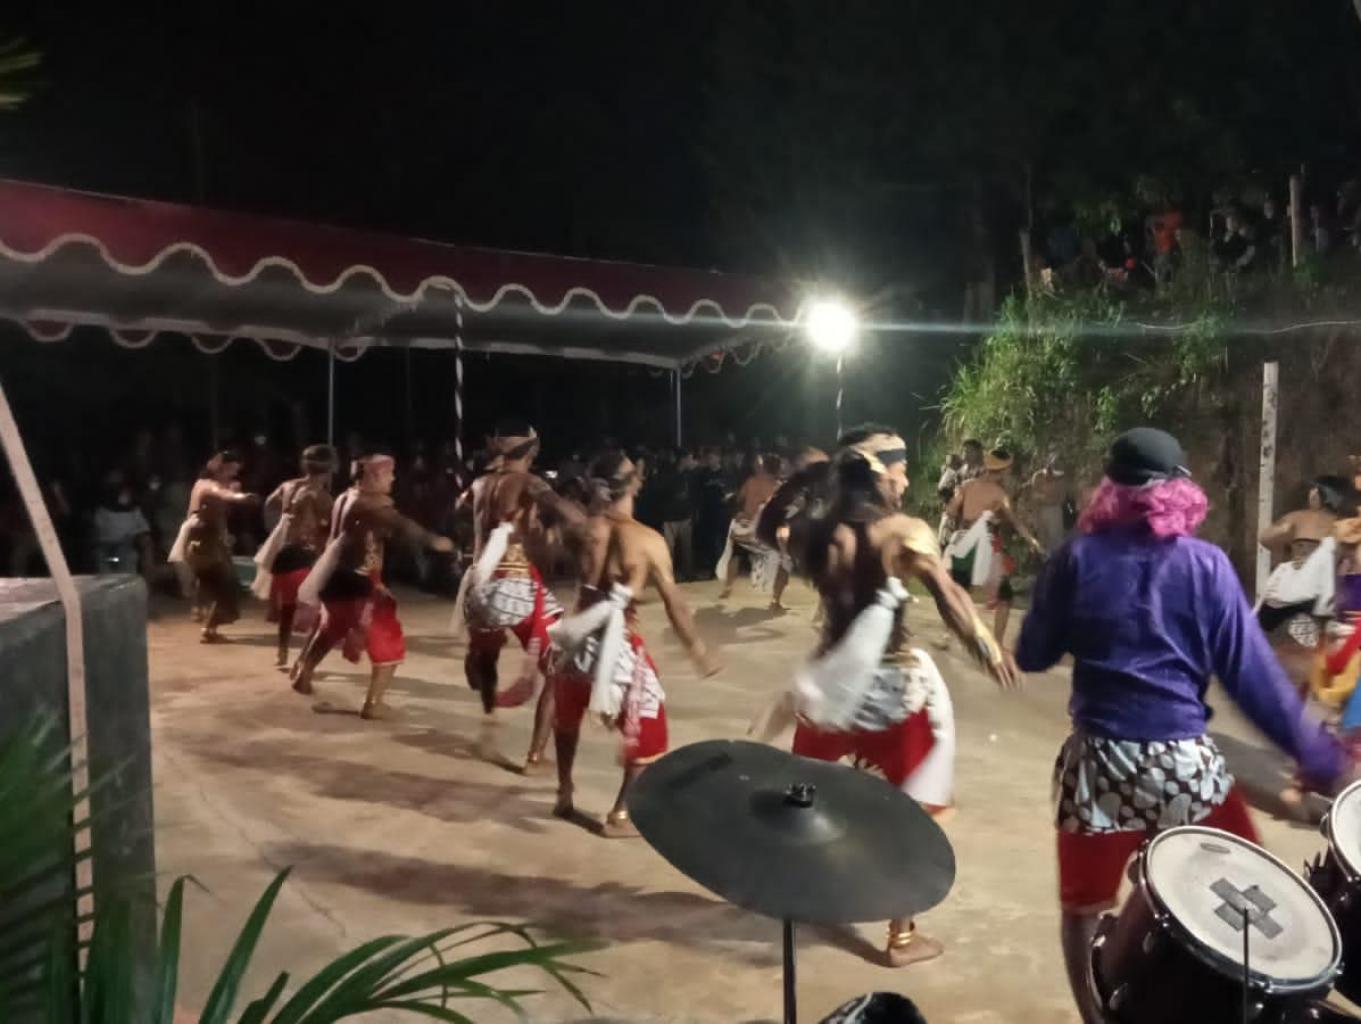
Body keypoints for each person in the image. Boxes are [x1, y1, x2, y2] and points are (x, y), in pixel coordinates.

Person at [1014, 427, 1349, 1024]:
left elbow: (1033, 653)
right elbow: (1253, 681)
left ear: (1110, 489)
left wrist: (1075, 618)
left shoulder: (1077, 558)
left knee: (1083, 907)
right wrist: (1319, 756)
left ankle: (1096, 1015)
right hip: (1183, 765)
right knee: (1245, 894)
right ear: (1180, 489)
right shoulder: (1206, 566)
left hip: (1101, 765)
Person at [753, 425, 1016, 968]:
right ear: (880, 476)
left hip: (829, 690)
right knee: (908, 811)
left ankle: (804, 894)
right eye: (900, 471)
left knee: (808, 795)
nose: (906, 482)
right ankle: (900, 935)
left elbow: (765, 528)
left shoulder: (815, 533)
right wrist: (989, 649)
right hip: (893, 693)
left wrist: (798, 483)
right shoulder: (903, 533)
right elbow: (949, 596)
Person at [548, 451, 719, 836]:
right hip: (618, 645)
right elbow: (675, 602)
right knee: (649, 728)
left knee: (567, 718)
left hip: (576, 644)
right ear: (635, 484)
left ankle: (564, 791)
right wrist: (697, 650)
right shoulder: (646, 540)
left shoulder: (581, 531)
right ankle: (620, 814)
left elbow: (554, 553)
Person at [290, 452, 453, 718]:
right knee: (389, 642)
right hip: (358, 582)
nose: (393, 478)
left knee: (330, 628)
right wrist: (434, 541)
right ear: (374, 476)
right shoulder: (371, 503)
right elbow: (400, 524)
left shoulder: (345, 497)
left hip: (334, 580)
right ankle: (373, 704)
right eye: (389, 473)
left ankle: (303, 676)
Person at [462, 420, 585, 767]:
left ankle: (488, 723)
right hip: (513, 585)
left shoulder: (479, 483)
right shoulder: (529, 481)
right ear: (532, 451)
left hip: (478, 586)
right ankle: (535, 756)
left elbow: (460, 512)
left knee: (487, 658)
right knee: (560, 667)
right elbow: (569, 514)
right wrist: (592, 521)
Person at [942, 447, 1042, 646]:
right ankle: (996, 643)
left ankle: (947, 635)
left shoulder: (967, 485)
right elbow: (1014, 521)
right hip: (983, 543)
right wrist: (1031, 540)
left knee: (960, 589)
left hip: (963, 539)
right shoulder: (999, 493)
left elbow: (951, 511)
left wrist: (968, 513)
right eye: (1008, 469)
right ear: (1004, 470)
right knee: (1005, 596)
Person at [253, 445, 337, 669]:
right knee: (317, 613)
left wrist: (279, 529)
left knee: (288, 609)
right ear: (330, 468)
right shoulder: (322, 497)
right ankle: (303, 661)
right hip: (304, 557)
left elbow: (269, 504)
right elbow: (329, 532)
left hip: (283, 555)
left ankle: (282, 653)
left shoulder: (288, 486)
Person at [167, 451, 259, 642]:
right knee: (225, 586)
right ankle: (208, 628)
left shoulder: (218, 484)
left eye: (235, 471)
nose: (233, 474)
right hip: (201, 540)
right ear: (219, 468)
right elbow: (219, 493)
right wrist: (240, 497)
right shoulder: (207, 485)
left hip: (211, 540)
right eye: (230, 470)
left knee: (215, 582)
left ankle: (203, 615)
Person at [1256, 475, 1349, 655]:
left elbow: (1266, 538)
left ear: (1320, 496)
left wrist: (1288, 543)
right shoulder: (1343, 524)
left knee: (1260, 625)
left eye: (1314, 492)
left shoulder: (1299, 517)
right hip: (1328, 591)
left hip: (1296, 587)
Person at [717, 453, 790, 609]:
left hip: (746, 527)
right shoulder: (778, 487)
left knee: (736, 555)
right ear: (777, 469)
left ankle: (728, 586)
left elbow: (739, 498)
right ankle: (776, 600)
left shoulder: (751, 481)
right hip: (762, 532)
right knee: (784, 562)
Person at [92, 474, 153, 577]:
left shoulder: (134, 511)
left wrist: (139, 540)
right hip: (108, 553)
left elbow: (144, 533)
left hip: (128, 551)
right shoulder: (102, 512)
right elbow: (98, 538)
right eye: (114, 486)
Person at [658, 449, 697, 581]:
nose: (691, 461)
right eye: (689, 458)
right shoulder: (668, 474)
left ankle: (688, 574)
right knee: (669, 549)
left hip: (685, 516)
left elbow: (693, 494)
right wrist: (675, 495)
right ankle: (668, 576)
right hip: (670, 517)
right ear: (683, 460)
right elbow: (661, 493)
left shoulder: (689, 475)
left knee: (687, 549)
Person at [1026, 454, 1069, 554]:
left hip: (1054, 511)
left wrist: (1045, 498)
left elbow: (1061, 498)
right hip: (1041, 511)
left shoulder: (1061, 479)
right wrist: (1035, 516)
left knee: (1055, 541)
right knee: (1042, 540)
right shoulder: (1038, 476)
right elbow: (1034, 497)